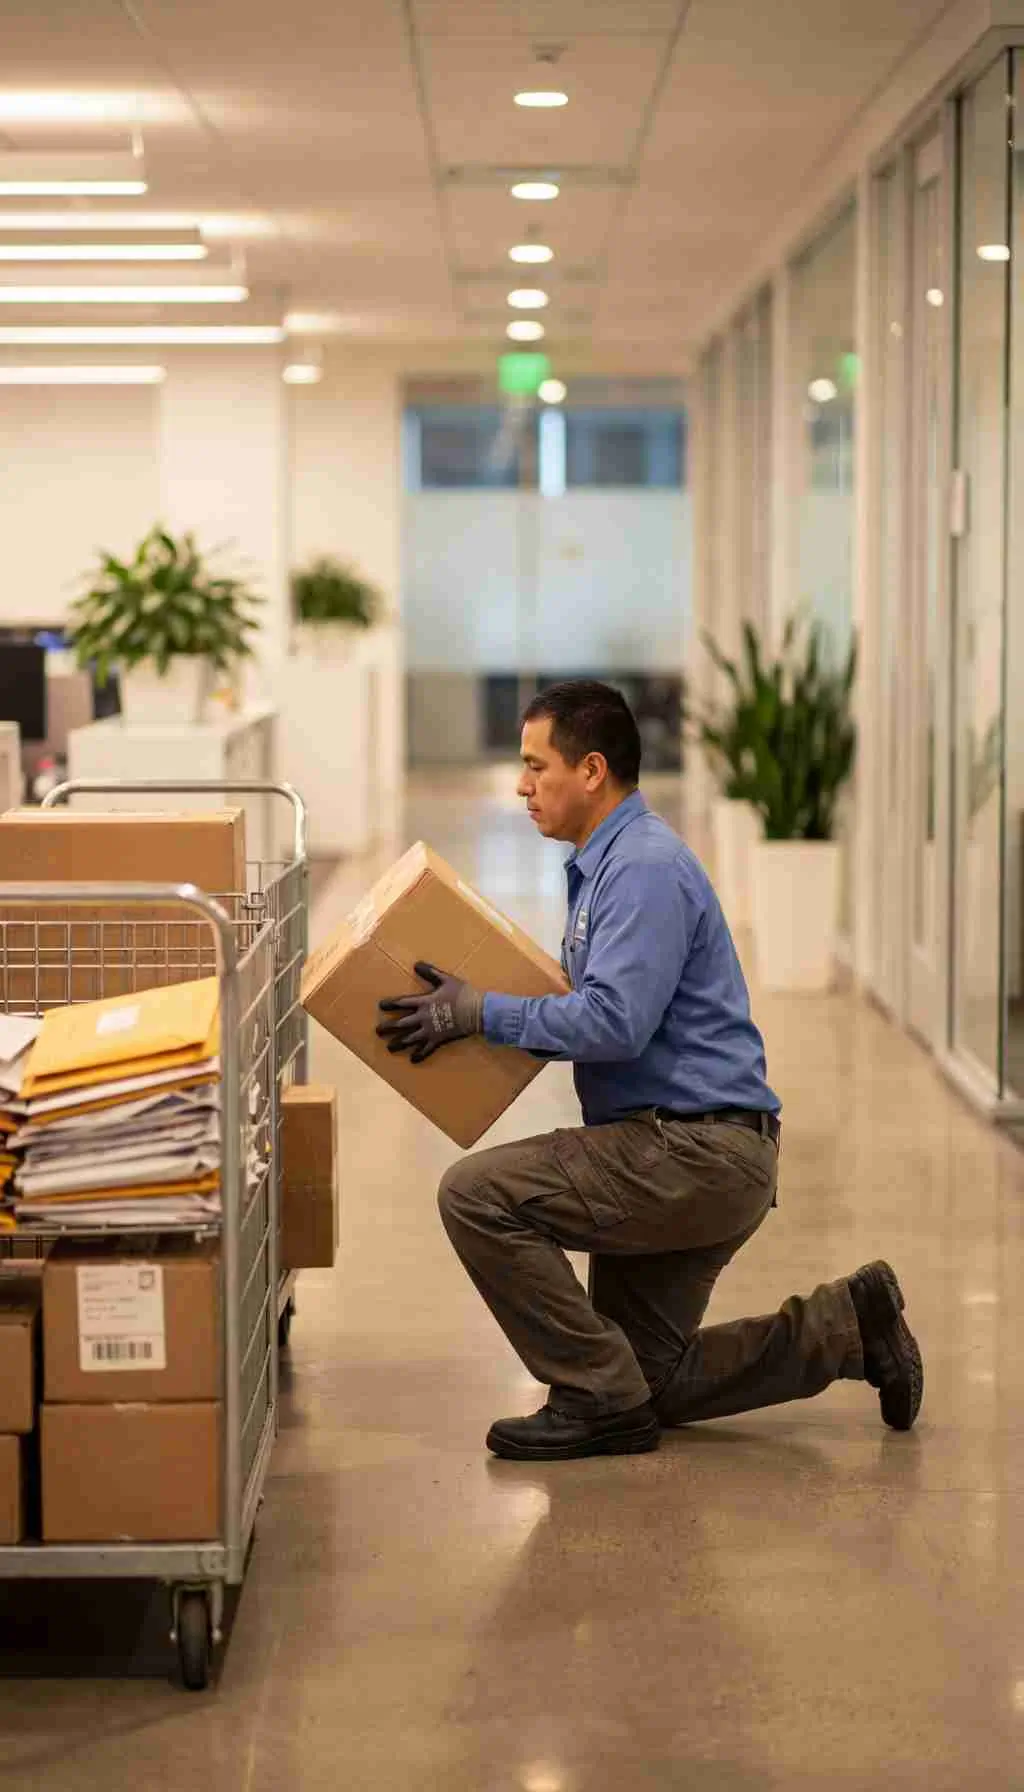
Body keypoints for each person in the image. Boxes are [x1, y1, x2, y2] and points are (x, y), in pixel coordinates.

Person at [377, 680, 923, 1463]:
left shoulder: (641, 868)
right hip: (687, 1145)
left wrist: (480, 1013)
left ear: (592, 770)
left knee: (474, 1193)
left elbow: (614, 1021)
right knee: (650, 1381)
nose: (523, 787)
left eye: (537, 767)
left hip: (692, 1152)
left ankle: (597, 1401)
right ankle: (849, 1325)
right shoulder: (604, 865)